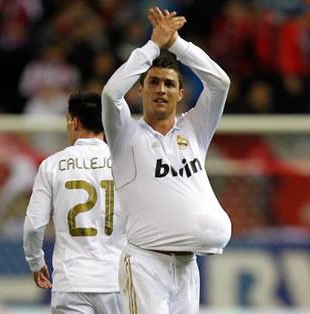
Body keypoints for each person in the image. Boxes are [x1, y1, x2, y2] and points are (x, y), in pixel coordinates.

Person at [101, 7, 232, 314]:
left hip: (188, 266)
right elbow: (109, 95)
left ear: (180, 93)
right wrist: (151, 47)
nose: (161, 89)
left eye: (169, 84)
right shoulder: (126, 135)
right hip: (146, 263)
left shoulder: (195, 129)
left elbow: (220, 83)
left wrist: (176, 45)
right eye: (153, 82)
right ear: (140, 89)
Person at [23, 91, 126, 314]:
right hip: (117, 281)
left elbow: (34, 226)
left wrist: (35, 261)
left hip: (71, 282)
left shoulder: (51, 165)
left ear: (75, 121)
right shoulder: (125, 163)